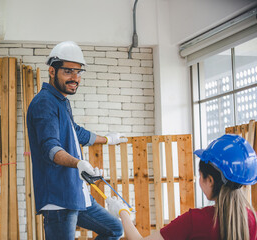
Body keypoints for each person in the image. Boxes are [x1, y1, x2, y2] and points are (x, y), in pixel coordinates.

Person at [27, 41, 126, 240]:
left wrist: (107, 139)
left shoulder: (60, 101)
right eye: (68, 71)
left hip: (75, 193)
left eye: (79, 72)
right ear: (52, 71)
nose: (75, 78)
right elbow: (50, 148)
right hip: (59, 198)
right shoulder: (45, 102)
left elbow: (76, 133)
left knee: (115, 229)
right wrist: (78, 163)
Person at [106, 134, 257, 240]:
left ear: (210, 180)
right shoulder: (250, 219)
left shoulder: (194, 221)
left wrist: (122, 212)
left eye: (199, 175)